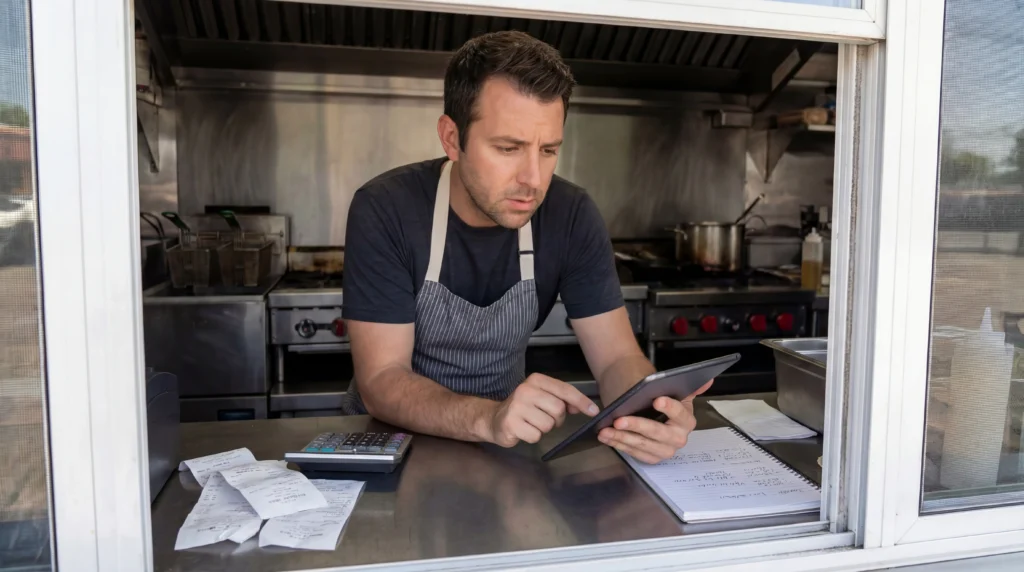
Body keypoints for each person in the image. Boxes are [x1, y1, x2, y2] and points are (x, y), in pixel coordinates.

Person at [340, 30, 710, 464]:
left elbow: (615, 359)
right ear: (451, 138)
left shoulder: (571, 214)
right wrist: (488, 418)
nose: (533, 179)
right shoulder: (386, 208)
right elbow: (383, 379)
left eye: (549, 150)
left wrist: (652, 412)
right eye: (508, 148)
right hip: (389, 450)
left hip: (505, 447)